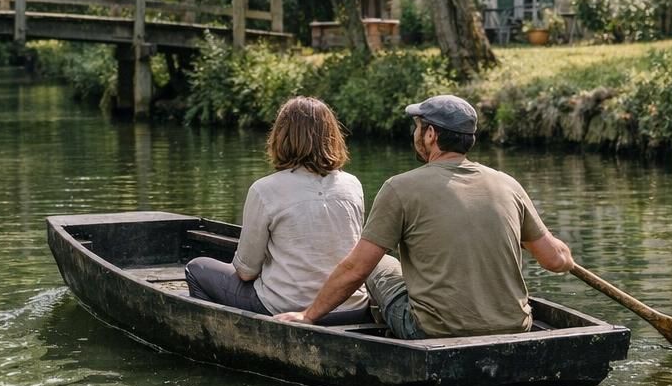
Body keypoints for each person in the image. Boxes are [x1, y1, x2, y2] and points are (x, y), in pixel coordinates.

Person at [273, 94, 574, 338]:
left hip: (432, 331)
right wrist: (565, 254)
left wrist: (308, 314)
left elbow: (356, 269)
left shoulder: (400, 187)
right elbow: (556, 261)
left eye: (418, 127)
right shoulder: (508, 185)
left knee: (379, 264)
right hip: (515, 326)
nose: (415, 133)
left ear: (431, 135)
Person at [185, 96, 372, 324]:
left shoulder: (265, 190)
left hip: (287, 309)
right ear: (332, 137)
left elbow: (246, 272)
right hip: (352, 307)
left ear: (280, 137)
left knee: (197, 268)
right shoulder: (353, 184)